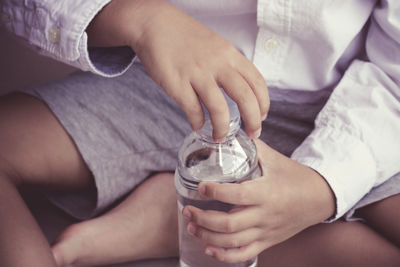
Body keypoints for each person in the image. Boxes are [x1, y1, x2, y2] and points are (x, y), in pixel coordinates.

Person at [1, 0, 400, 266]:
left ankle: (175, 223)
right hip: (162, 83)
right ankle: (199, 222)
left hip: (356, 106)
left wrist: (322, 187)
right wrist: (138, 17)